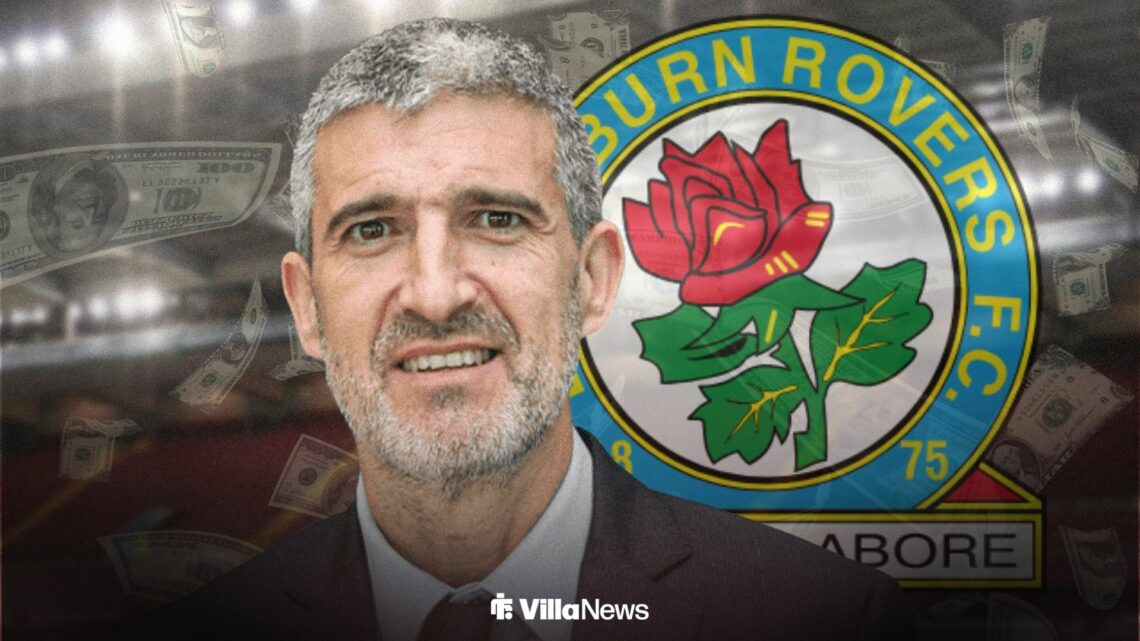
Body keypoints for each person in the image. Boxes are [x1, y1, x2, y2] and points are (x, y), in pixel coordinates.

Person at [127, 18, 915, 641]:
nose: (434, 296)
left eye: (497, 219)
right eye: (371, 230)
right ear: (306, 308)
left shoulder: (823, 617)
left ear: (592, 281)